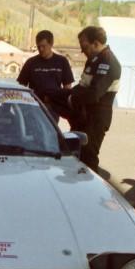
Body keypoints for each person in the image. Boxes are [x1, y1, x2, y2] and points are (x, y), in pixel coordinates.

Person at [53, 26, 121, 171]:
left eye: (84, 46)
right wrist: (62, 95)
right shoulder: (93, 60)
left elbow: (93, 93)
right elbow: (82, 86)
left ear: (95, 43)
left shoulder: (108, 62)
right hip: (84, 114)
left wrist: (71, 99)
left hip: (96, 117)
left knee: (88, 157)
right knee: (75, 153)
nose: (82, 51)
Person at [17, 30, 74, 121]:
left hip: (53, 107)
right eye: (38, 46)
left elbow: (67, 87)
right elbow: (21, 86)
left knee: (50, 133)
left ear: (51, 44)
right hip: (34, 106)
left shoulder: (62, 61)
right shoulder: (31, 62)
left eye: (44, 46)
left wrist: (61, 105)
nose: (41, 49)